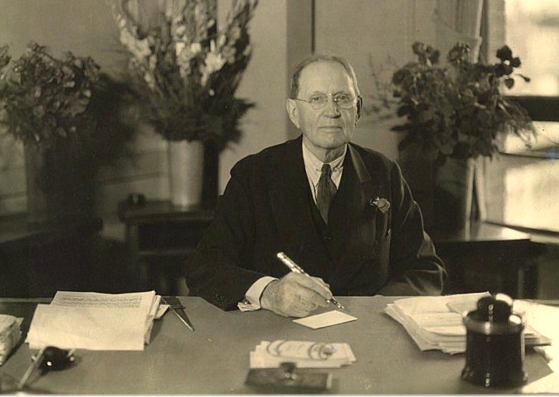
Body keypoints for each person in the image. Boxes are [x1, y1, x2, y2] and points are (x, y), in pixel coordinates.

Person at [187, 54, 446, 318]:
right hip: (278, 332)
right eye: (317, 99)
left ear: (358, 109)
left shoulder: (385, 174)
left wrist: (377, 309)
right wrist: (269, 293)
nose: (332, 111)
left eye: (342, 98)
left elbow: (426, 270)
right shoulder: (254, 175)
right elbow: (205, 267)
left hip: (366, 332)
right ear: (294, 112)